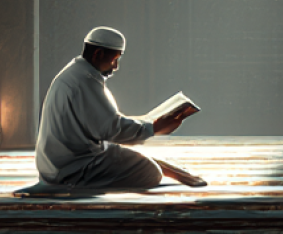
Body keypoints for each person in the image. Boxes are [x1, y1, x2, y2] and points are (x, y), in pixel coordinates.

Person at [34, 26, 206, 189]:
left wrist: (150, 125)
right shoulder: (84, 81)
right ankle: (168, 171)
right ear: (98, 54)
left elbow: (104, 125)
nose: (115, 67)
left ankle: (174, 171)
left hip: (63, 162)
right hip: (72, 170)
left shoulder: (77, 74)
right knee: (151, 172)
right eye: (114, 59)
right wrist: (154, 128)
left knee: (140, 159)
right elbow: (111, 130)